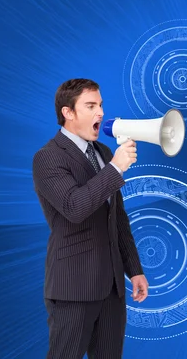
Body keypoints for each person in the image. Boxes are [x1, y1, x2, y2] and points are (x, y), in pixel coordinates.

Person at [32, 78, 149, 358]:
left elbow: (117, 217)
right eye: (91, 106)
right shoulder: (48, 158)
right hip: (74, 285)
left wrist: (134, 268)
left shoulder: (104, 153)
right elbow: (75, 207)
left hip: (111, 287)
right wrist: (116, 168)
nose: (100, 113)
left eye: (101, 105)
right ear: (68, 112)